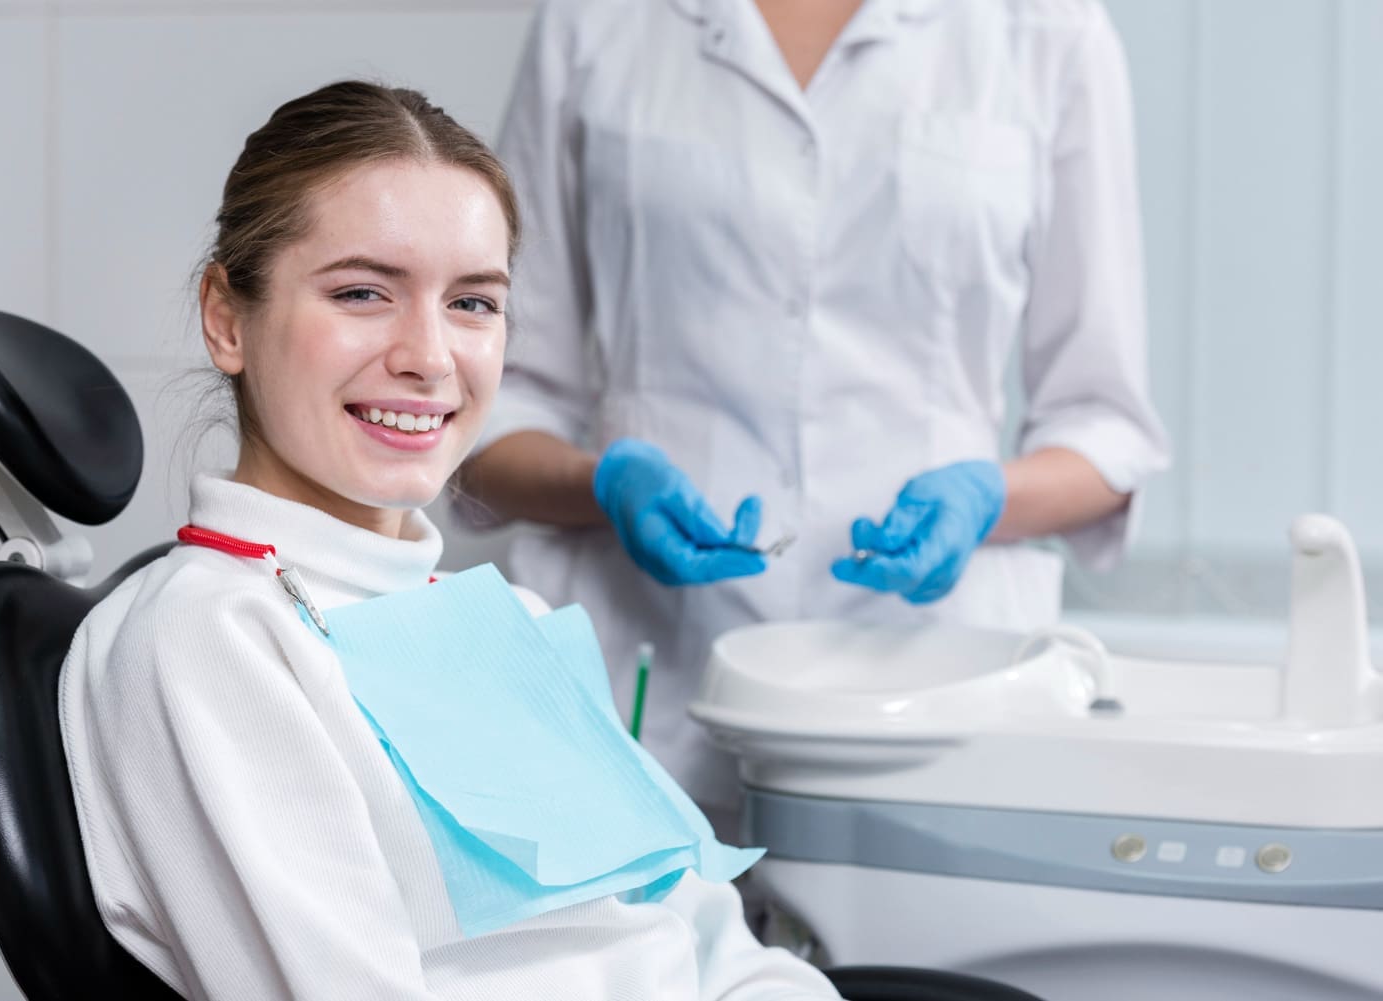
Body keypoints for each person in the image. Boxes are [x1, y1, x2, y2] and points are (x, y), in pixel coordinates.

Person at [58, 81, 840, 1000]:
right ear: (228, 318)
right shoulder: (207, 639)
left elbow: (710, 939)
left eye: (473, 303)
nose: (429, 357)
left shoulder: (505, 621)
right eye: (362, 292)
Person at [458, 0, 1171, 820]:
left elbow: (1106, 430)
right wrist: (604, 483)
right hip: (643, 683)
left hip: (943, 694)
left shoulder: (1048, 31)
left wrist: (984, 501)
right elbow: (487, 410)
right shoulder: (595, 23)